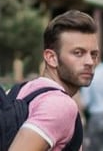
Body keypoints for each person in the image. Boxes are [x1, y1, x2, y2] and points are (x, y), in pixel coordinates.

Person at [8, 10, 98, 151]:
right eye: (78, 53)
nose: (90, 62)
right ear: (51, 58)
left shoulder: (18, 92)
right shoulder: (60, 105)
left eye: (94, 54)